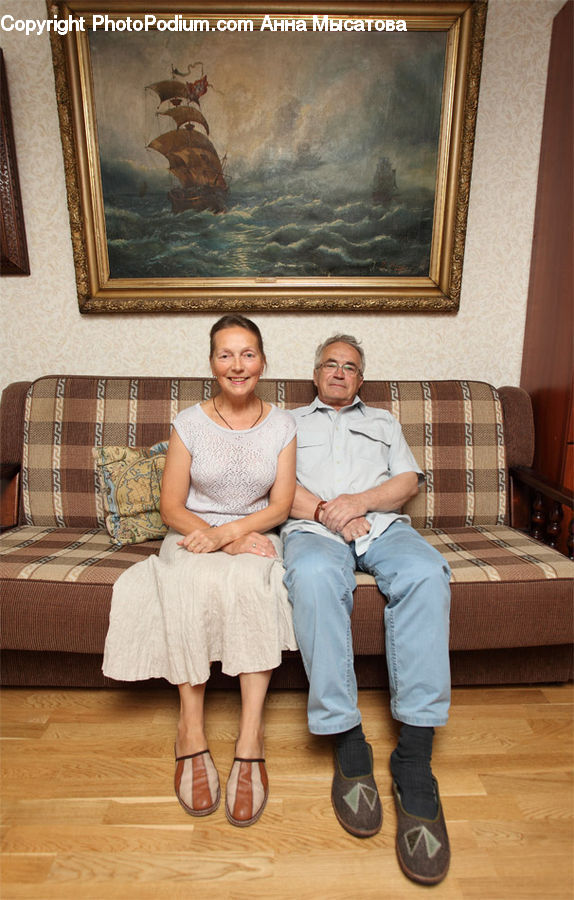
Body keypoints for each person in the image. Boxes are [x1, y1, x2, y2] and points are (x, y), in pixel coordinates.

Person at [103, 315, 297, 828]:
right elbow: (171, 507)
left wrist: (231, 538)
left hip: (253, 532)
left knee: (256, 585)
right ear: (212, 364)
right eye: (226, 355)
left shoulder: (282, 424)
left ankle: (250, 737)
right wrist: (214, 540)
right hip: (190, 534)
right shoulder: (188, 421)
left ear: (263, 361)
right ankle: (190, 729)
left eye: (248, 354)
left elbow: (279, 507)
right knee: (187, 583)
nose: (238, 365)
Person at [282, 334, 452, 885]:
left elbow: (406, 481)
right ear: (314, 374)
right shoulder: (285, 422)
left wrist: (361, 504)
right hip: (314, 528)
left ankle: (414, 757)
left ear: (360, 379)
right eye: (329, 364)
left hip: (379, 526)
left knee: (427, 572)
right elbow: (275, 483)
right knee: (309, 575)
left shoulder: (382, 421)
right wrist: (334, 512)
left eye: (349, 367)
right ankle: (346, 738)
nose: (338, 372)